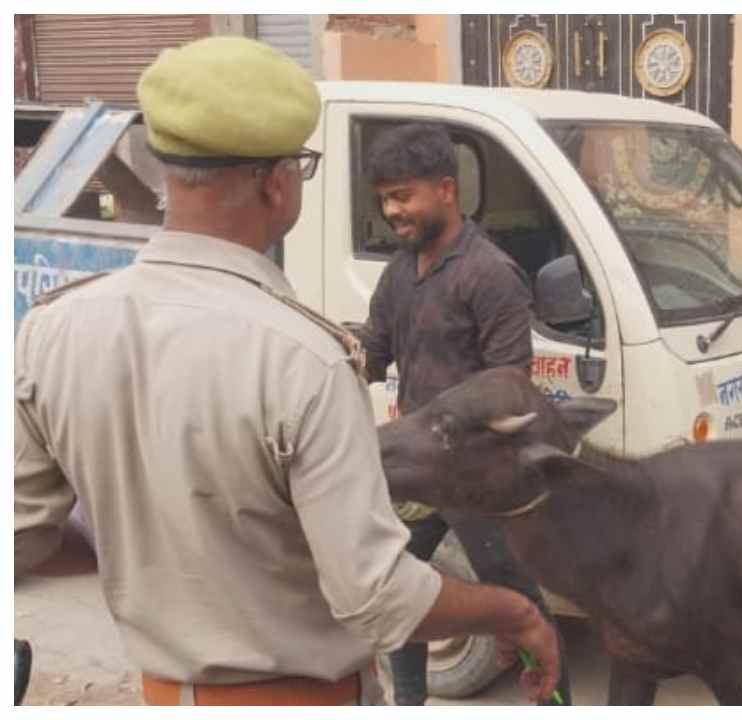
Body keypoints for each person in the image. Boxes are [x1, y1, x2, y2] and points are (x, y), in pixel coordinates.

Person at [13, 37, 558, 706]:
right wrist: (515, 616)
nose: (393, 211)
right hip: (309, 688)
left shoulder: (50, 330)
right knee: (457, 594)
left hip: (163, 693)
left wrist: (154, 544)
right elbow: (379, 596)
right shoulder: (305, 357)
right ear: (277, 181)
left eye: (403, 196)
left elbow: (21, 539)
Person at [354, 122, 572, 706]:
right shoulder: (399, 272)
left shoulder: (491, 274)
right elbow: (371, 353)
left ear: (445, 190)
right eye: (386, 199)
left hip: (477, 480)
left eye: (404, 196)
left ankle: (559, 705)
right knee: (400, 591)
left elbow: (509, 387)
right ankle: (408, 705)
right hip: (416, 471)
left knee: (521, 607)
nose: (393, 211)